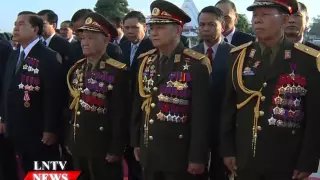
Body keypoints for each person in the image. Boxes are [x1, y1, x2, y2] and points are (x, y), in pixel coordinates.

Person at [220, 0, 320, 180]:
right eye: (255, 15)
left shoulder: (308, 60)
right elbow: (228, 108)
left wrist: (308, 161)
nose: (257, 20)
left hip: (286, 160)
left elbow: (315, 118)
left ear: (284, 20)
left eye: (265, 15)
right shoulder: (239, 57)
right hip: (245, 157)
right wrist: (227, 149)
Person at [131, 1, 212, 180]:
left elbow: (201, 116)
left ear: (177, 30)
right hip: (150, 149)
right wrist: (136, 141)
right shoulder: (146, 61)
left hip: (179, 154)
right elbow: (139, 103)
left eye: (160, 27)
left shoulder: (196, 64)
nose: (154, 32)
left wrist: (197, 157)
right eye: (152, 27)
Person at [66, 12, 129, 180]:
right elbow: (72, 108)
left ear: (106, 40)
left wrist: (116, 148)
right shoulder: (77, 68)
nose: (85, 42)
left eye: (91, 38)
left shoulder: (117, 71)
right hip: (79, 143)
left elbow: (120, 115)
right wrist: (70, 139)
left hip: (102, 145)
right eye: (83, 38)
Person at [0, 11, 63, 173]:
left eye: (21, 24)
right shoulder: (14, 54)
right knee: (25, 168)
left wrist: (50, 129)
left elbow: (53, 97)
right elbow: (7, 88)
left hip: (38, 131)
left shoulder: (49, 56)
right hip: (16, 127)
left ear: (35, 29)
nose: (15, 28)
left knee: (43, 172)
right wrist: (4, 118)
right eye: (15, 24)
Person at [192, 5, 234, 180]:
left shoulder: (235, 54)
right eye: (202, 25)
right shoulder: (190, 55)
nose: (206, 29)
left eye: (211, 24)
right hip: (194, 128)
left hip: (224, 127)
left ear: (222, 26)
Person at [120, 10, 154, 180]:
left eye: (135, 27)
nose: (130, 31)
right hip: (124, 110)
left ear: (145, 27)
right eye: (127, 27)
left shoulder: (153, 47)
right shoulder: (122, 47)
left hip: (144, 111)